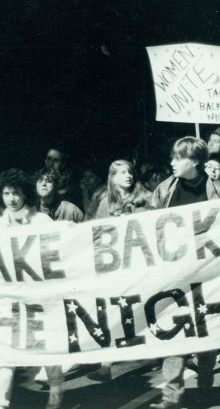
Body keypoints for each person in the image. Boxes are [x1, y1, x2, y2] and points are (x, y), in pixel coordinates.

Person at [148, 137, 220, 409]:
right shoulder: (164, 190)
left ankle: (206, 383)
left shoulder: (218, 190)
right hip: (174, 275)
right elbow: (147, 224)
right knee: (174, 332)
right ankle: (171, 396)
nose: (171, 162)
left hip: (208, 272)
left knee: (207, 331)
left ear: (194, 161)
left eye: (178, 158)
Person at [0, 168, 65, 409]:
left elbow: (59, 250)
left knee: (47, 346)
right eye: (7, 193)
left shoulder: (42, 221)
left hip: (38, 297)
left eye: (17, 193)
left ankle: (55, 390)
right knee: (2, 351)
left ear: (25, 195)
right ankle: (0, 403)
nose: (11, 199)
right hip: (8, 298)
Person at [88, 160, 152, 382]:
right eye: (121, 173)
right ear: (112, 177)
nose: (128, 176)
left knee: (147, 309)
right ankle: (106, 366)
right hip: (117, 268)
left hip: (141, 265)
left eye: (130, 172)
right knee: (114, 313)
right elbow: (95, 233)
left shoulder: (146, 198)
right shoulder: (106, 203)